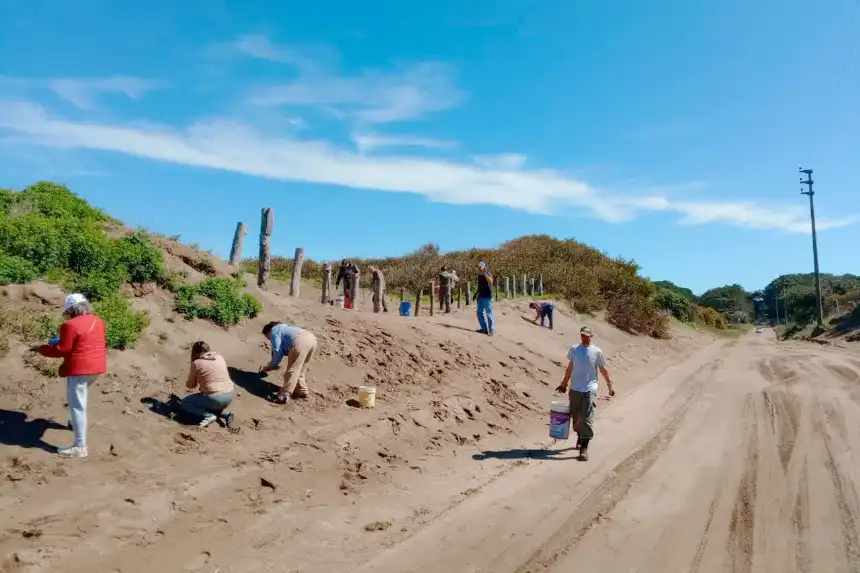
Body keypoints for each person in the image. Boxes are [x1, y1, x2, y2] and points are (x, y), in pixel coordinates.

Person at [34, 293, 107, 459]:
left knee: (77, 406)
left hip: (80, 369)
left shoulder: (70, 325)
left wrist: (41, 349)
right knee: (77, 400)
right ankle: (73, 423)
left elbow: (62, 350)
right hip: (97, 368)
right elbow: (85, 340)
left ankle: (80, 447)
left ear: (72, 310)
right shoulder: (97, 321)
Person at [555, 326, 615, 461]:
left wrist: (610, 386)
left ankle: (584, 448)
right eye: (582, 335)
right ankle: (579, 436)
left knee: (587, 416)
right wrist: (564, 383)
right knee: (576, 417)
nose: (584, 338)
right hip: (575, 388)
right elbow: (570, 367)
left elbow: (603, 370)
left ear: (591, 336)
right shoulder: (574, 349)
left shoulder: (597, 351)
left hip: (590, 388)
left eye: (587, 335)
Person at [260, 321, 318, 405]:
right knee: (301, 369)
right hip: (312, 339)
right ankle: (302, 391)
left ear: (268, 331)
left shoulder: (274, 331)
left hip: (299, 342)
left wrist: (271, 366)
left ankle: (284, 395)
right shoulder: (285, 327)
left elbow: (277, 351)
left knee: (292, 371)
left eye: (267, 337)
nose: (269, 339)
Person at [181, 341, 235, 428]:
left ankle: (208, 416)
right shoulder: (219, 357)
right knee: (210, 403)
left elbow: (191, 386)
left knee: (186, 403)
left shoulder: (196, 363)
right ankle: (226, 414)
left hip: (215, 397)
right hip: (230, 394)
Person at [475, 261, 494, 336]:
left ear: (484, 267)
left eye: (480, 267)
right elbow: (480, 285)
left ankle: (491, 330)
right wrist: (477, 293)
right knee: (479, 313)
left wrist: (485, 273)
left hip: (487, 297)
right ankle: (484, 329)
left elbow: (491, 282)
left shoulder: (487, 273)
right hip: (481, 296)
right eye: (478, 267)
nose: (479, 269)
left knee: (489, 313)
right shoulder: (479, 275)